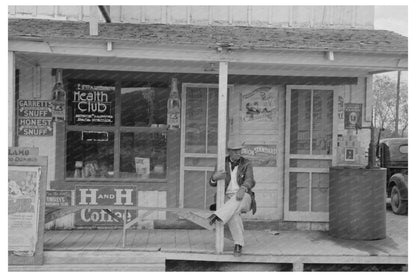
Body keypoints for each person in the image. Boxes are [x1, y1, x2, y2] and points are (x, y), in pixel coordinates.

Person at [207, 139, 256, 257]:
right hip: (227, 197)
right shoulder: (221, 163)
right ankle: (238, 244)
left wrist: (243, 188)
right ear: (229, 151)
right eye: (235, 151)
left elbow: (250, 180)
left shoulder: (247, 163)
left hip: (244, 196)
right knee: (234, 213)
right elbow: (212, 182)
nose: (238, 153)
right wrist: (214, 177)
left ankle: (218, 214)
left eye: (240, 150)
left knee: (234, 205)